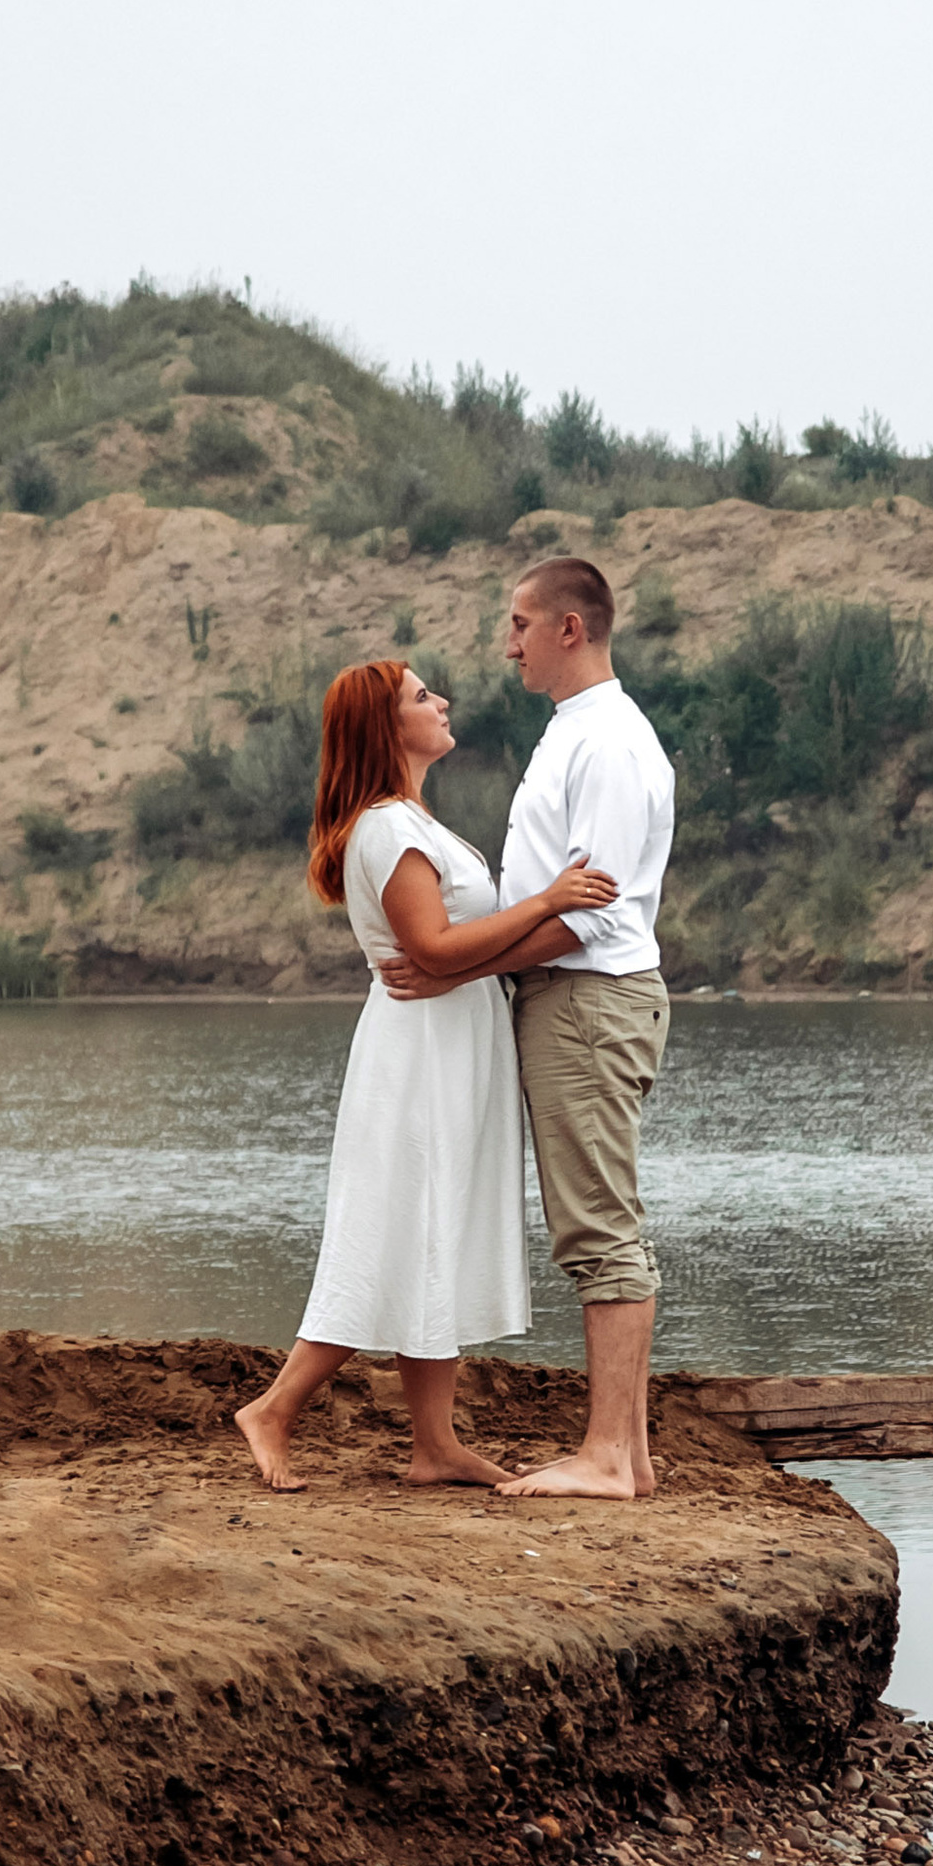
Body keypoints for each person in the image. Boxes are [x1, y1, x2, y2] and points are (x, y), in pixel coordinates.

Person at [234, 659, 616, 1494]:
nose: (441, 703)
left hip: (451, 1044)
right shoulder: (386, 828)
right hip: (417, 1058)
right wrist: (549, 901)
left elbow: (450, 955)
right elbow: (434, 950)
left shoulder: (412, 820)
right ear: (384, 727)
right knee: (392, 1232)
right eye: (420, 696)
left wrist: (525, 927)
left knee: (433, 1233)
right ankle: (272, 1410)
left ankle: (434, 1446)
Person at [379, 560, 676, 1502]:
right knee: (600, 1223)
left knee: (598, 1229)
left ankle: (604, 1458)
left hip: (589, 1000)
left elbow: (587, 914)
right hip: (565, 999)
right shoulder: (573, 734)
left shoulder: (614, 747)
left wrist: (450, 965)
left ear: (570, 630)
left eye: (518, 625)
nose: (504, 643)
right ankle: (627, 1454)